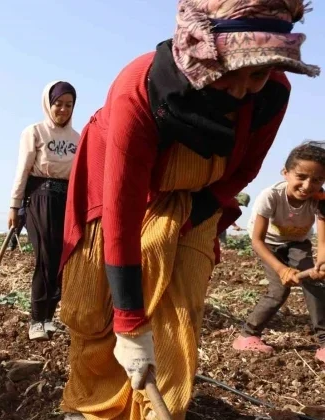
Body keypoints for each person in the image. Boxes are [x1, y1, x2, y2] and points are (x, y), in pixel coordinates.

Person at [57, 1, 319, 418]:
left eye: (257, 73)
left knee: (179, 307)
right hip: (117, 187)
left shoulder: (273, 93)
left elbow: (245, 167)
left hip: (199, 196)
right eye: (231, 71)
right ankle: (91, 408)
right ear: (201, 48)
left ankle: (162, 409)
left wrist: (193, 214)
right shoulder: (140, 89)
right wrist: (127, 321)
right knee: (96, 306)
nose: (241, 89)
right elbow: (122, 215)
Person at [232, 141, 325, 362]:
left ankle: (323, 342)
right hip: (269, 245)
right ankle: (247, 335)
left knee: (315, 284)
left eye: (317, 180)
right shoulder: (271, 196)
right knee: (278, 291)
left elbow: (322, 239)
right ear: (286, 173)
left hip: (298, 244)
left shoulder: (320, 200)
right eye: (301, 176)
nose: (307, 185)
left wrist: (321, 262)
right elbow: (256, 241)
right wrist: (281, 269)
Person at [8, 80, 79, 341]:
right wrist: (15, 205)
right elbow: (23, 169)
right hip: (40, 197)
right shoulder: (35, 132)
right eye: (58, 104)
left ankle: (49, 317)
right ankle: (36, 319)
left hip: (66, 201)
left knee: (61, 260)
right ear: (48, 104)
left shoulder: (76, 138)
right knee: (46, 258)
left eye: (68, 105)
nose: (63, 109)